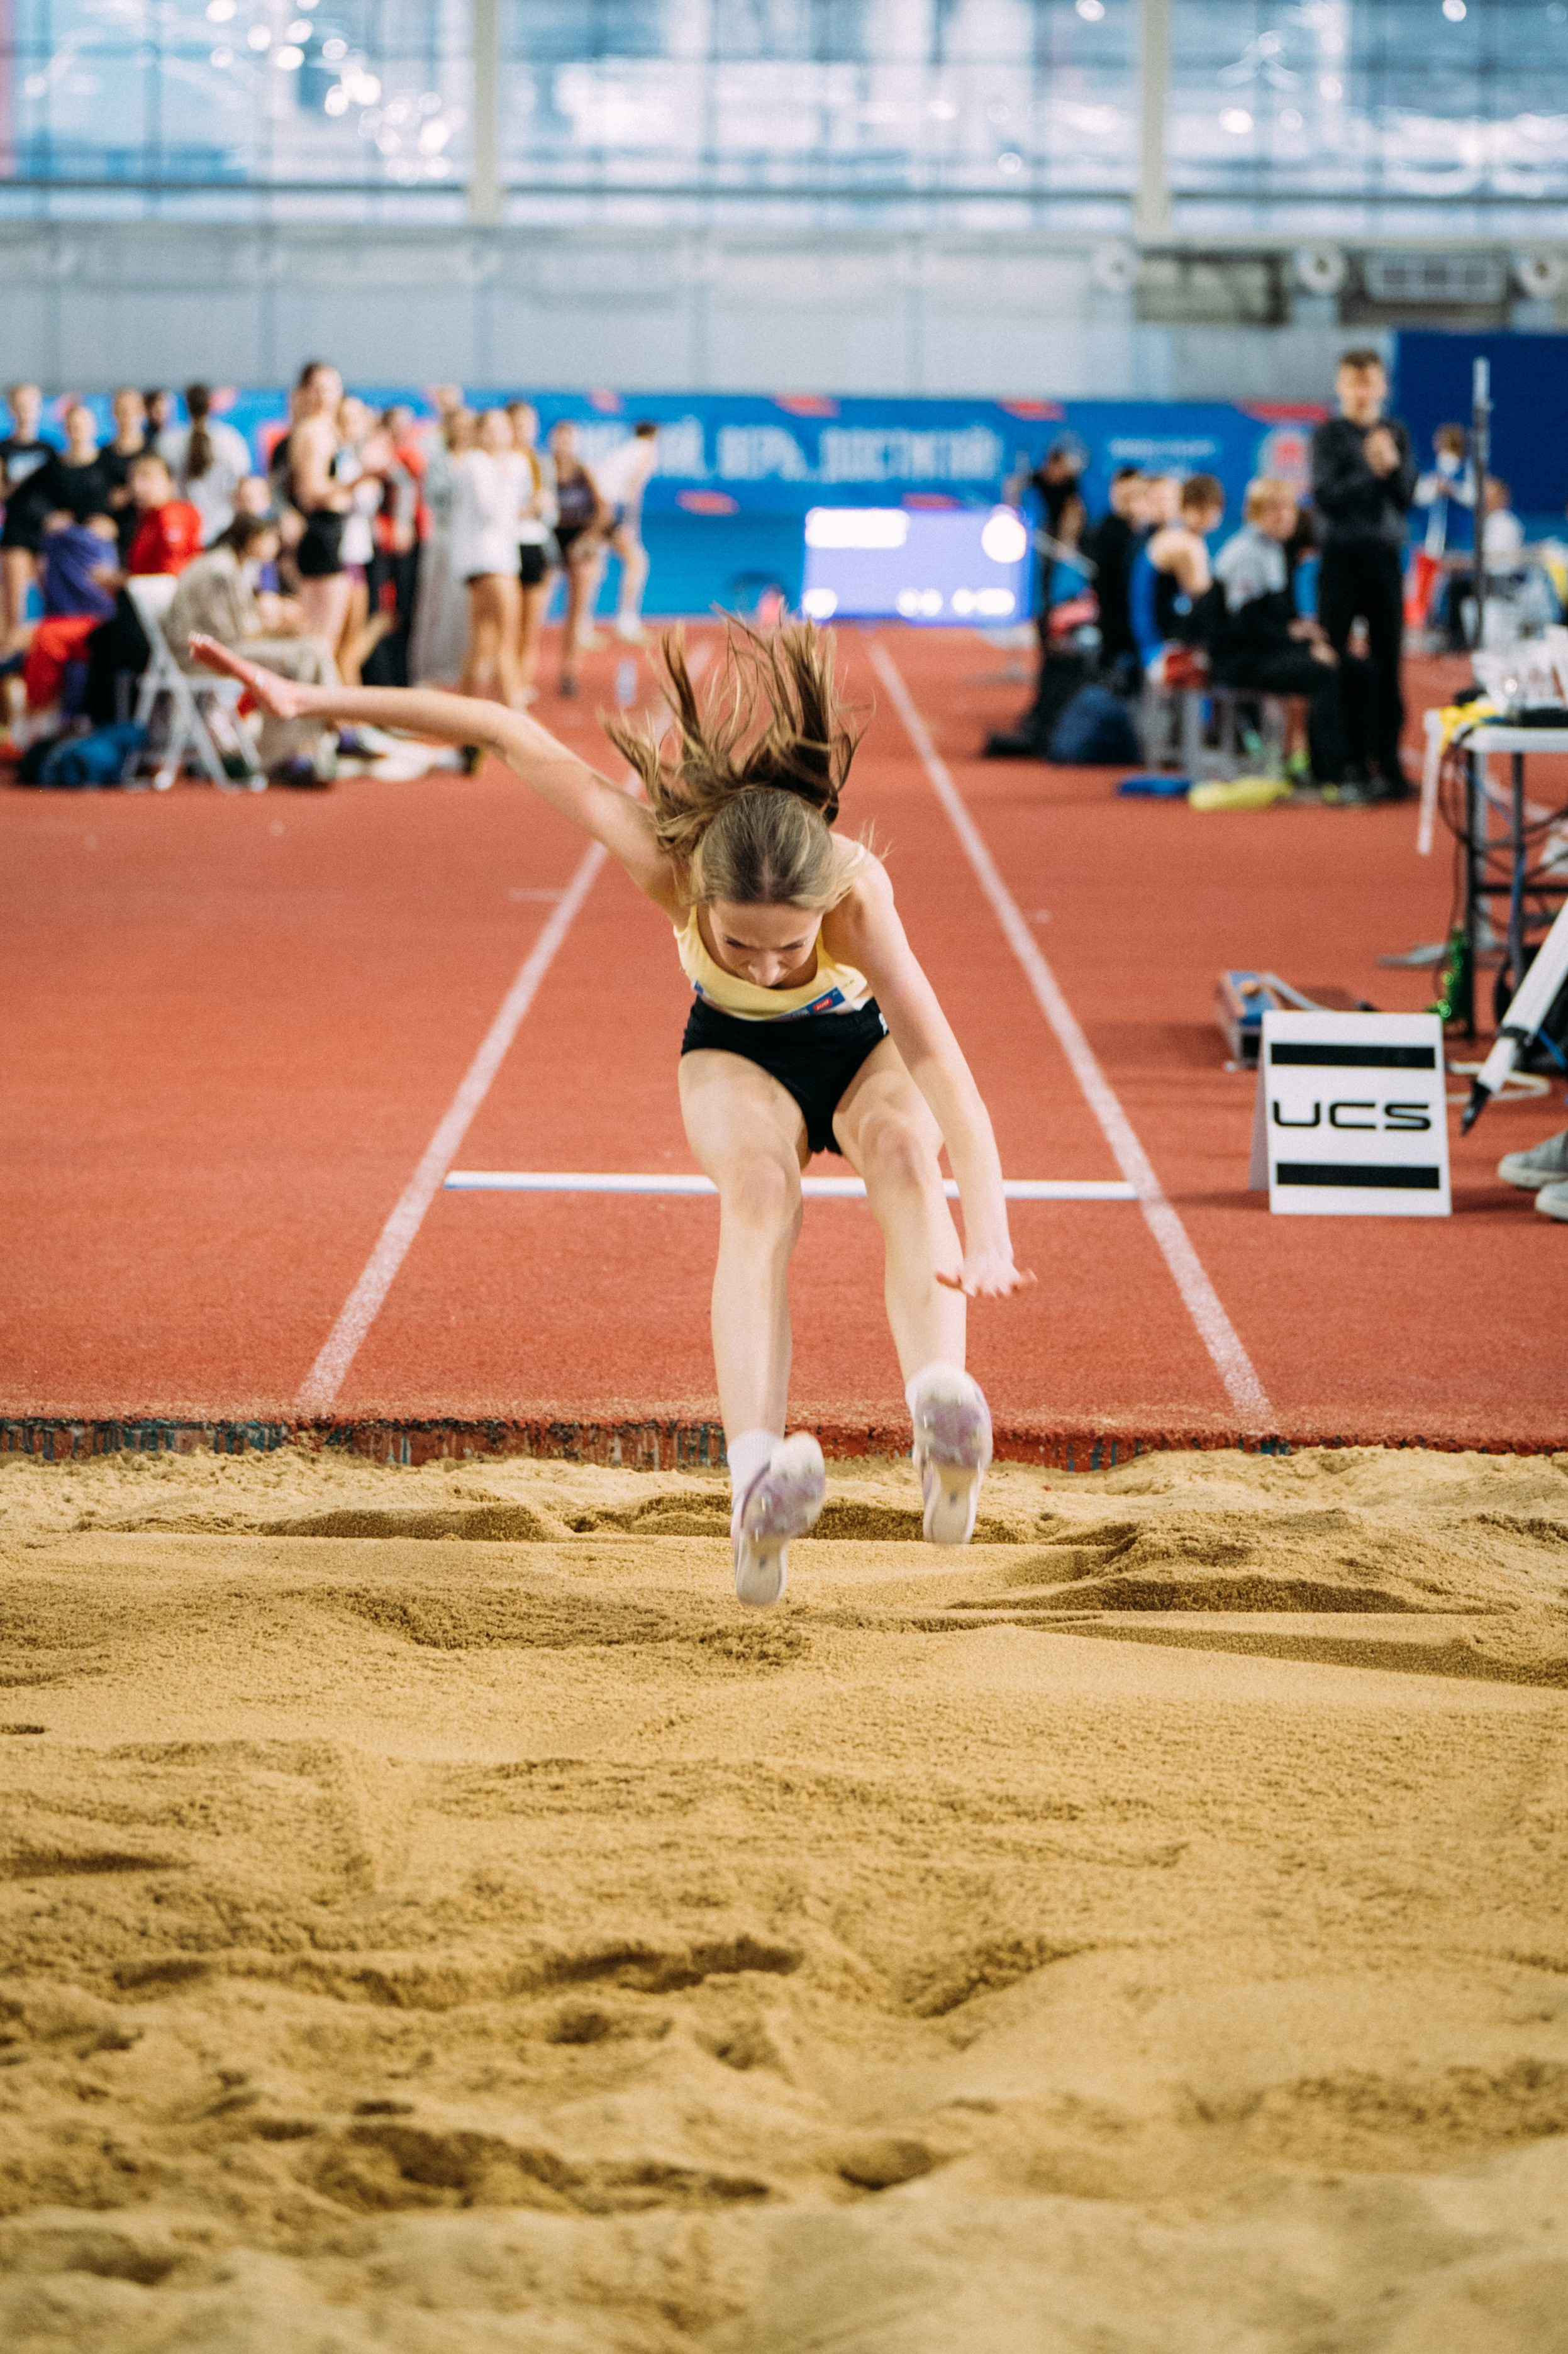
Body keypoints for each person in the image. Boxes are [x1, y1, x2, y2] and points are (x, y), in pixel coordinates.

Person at [189, 619, 1033, 1606]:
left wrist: (990, 1233)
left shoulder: (854, 894)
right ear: (700, 895)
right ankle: (756, 1479)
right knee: (760, 1193)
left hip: (859, 1047)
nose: (766, 963)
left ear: (822, 907)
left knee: (899, 1147)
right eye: (739, 942)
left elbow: (943, 1066)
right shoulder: (664, 858)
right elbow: (506, 730)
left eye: (789, 948)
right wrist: (305, 699)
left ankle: (942, 1417)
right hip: (734, 1053)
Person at [1309, 350, 1416, 801]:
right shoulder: (1328, 435)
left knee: (1388, 660)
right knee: (1330, 658)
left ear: (1382, 387)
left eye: (1368, 382)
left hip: (1383, 558)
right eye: (1352, 383)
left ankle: (1386, 760)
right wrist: (1368, 471)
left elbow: (1406, 496)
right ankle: (1338, 761)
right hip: (1339, 558)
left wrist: (1390, 468)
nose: (1361, 392)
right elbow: (1326, 496)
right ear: (1340, 387)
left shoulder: (1395, 432)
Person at [165, 513, 340, 782]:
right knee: (304, 655)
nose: (276, 546)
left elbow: (239, 631)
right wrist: (279, 630)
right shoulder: (219, 570)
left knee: (314, 647)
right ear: (252, 539)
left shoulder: (231, 565)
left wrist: (283, 630)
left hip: (222, 647)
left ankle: (316, 737)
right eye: (272, 539)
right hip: (202, 656)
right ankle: (286, 752)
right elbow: (231, 636)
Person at [1211, 478, 1355, 789]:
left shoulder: (1273, 548)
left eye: (1288, 509)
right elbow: (1244, 626)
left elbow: (1273, 618)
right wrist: (1297, 642)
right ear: (1254, 513)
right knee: (1322, 672)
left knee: (1357, 667)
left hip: (1260, 650)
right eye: (1273, 510)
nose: (1284, 517)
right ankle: (1328, 775)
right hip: (1238, 661)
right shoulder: (1247, 553)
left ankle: (1355, 763)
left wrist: (1302, 632)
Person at [451, 406, 526, 707]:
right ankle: (515, 716)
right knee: (505, 642)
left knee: (482, 641)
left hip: (496, 559)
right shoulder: (478, 463)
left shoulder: (498, 464)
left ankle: (466, 720)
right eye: (490, 429)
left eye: (503, 428)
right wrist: (507, 477)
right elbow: (493, 512)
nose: (497, 435)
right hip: (489, 562)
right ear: (479, 433)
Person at [278, 360, 353, 651]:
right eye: (318, 389)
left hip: (329, 532)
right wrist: (359, 480)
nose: (325, 396)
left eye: (331, 389)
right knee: (320, 644)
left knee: (325, 642)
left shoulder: (328, 430)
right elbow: (311, 493)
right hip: (321, 533)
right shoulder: (313, 432)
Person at [1129, 473, 1225, 684]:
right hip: (1160, 653)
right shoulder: (1186, 543)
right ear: (1209, 509)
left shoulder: (1171, 535)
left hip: (1151, 645)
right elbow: (1206, 601)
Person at [409, 406, 475, 687]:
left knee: (461, 610)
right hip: (443, 539)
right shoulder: (439, 461)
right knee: (432, 607)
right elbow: (433, 498)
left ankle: (452, 669)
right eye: (457, 424)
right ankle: (423, 671)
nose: (462, 431)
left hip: (469, 542)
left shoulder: (476, 460)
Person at [548, 418, 611, 695]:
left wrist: (587, 540)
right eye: (560, 440)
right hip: (549, 539)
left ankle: (569, 671)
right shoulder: (543, 469)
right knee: (536, 607)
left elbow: (604, 511)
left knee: (576, 611)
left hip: (579, 540)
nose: (564, 446)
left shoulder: (585, 472)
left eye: (569, 441)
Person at [585, 419, 659, 645]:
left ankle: (583, 626)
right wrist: (630, 523)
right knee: (637, 561)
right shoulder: (647, 450)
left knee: (595, 566)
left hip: (597, 506)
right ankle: (626, 622)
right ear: (654, 435)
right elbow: (634, 485)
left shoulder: (624, 449)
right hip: (608, 509)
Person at [1, 382, 57, 652]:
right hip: (17, 534)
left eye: (30, 406)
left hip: (44, 535)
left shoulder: (49, 450)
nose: (25, 412)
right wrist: (24, 481)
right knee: (14, 611)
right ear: (12, 409)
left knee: (53, 609)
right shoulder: (5, 449)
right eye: (20, 406)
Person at [160, 384, 253, 547]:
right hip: (223, 528)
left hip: (181, 533)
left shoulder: (168, 442)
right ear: (210, 404)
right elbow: (243, 488)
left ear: (186, 405)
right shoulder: (230, 439)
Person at [506, 401, 555, 702]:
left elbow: (550, 511)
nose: (525, 429)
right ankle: (507, 683)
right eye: (519, 423)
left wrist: (545, 509)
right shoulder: (498, 461)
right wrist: (526, 510)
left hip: (535, 545)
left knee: (531, 624)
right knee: (507, 624)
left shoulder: (540, 463)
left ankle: (522, 683)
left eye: (530, 423)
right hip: (506, 548)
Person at [1080, 465, 1144, 684]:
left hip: (1138, 629)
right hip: (1115, 628)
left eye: (1134, 494)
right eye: (1122, 494)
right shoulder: (1108, 531)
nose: (1127, 500)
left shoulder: (1147, 535)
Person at [99, 387, 151, 563]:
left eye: (130, 411)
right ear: (113, 413)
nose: (125, 417)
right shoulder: (103, 456)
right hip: (113, 536)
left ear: (141, 413)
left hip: (147, 531)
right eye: (120, 411)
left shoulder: (152, 451)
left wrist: (131, 493)